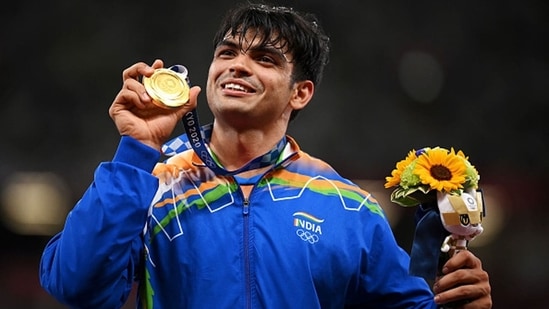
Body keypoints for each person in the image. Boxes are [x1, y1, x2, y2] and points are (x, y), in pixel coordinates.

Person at [39, 3, 492, 308]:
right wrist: (137, 146)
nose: (238, 64)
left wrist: (462, 301)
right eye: (227, 52)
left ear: (301, 93)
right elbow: (76, 284)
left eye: (264, 59)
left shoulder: (345, 206)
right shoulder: (149, 181)